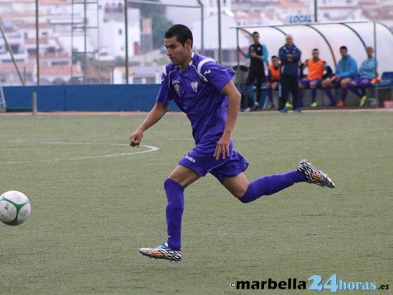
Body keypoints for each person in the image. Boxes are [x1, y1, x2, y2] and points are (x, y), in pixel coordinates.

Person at [129, 24, 335, 262]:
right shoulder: (170, 72)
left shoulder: (204, 67)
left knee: (173, 184)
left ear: (188, 44)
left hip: (215, 140)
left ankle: (173, 246)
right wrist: (141, 128)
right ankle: (302, 174)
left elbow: (234, 95)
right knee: (245, 193)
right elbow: (162, 105)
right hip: (212, 142)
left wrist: (227, 134)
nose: (169, 52)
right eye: (166, 47)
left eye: (173, 46)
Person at [238, 31, 269, 112]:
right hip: (252, 68)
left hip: (260, 68)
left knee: (259, 86)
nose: (255, 38)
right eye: (254, 37)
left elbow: (265, 57)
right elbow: (248, 56)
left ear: (258, 37)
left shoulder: (262, 46)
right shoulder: (251, 47)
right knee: (247, 85)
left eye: (256, 37)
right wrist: (240, 51)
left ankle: (257, 103)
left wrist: (256, 56)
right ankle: (246, 104)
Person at [278, 34, 302, 112]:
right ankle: (282, 107)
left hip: (294, 73)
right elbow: (282, 57)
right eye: (287, 39)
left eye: (290, 39)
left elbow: (297, 56)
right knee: (284, 92)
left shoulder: (296, 49)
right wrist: (291, 57)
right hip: (285, 74)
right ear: (286, 40)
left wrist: (290, 57)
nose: (289, 40)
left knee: (295, 91)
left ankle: (296, 107)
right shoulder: (282, 49)